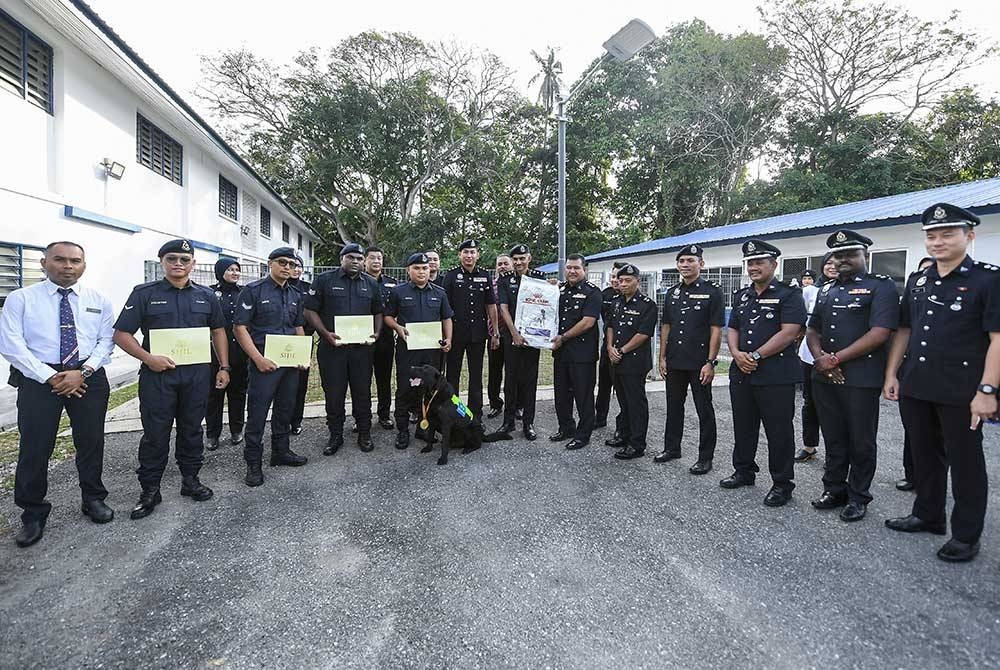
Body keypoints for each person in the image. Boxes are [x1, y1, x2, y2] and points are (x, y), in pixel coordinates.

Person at [884, 203, 1000, 562]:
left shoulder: (988, 279)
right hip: (917, 384)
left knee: (966, 462)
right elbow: (904, 330)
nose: (938, 241)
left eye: (947, 233)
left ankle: (966, 535)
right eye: (931, 236)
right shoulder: (919, 280)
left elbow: (998, 338)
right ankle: (927, 514)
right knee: (924, 455)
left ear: (969, 235)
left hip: (962, 389)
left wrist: (987, 391)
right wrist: (892, 373)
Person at [0, 241, 115, 547]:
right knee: (35, 446)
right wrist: (50, 376)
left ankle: (93, 498)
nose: (68, 266)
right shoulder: (21, 299)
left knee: (91, 441)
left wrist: (84, 371)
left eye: (75, 261)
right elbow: (11, 344)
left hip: (87, 375)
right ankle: (33, 513)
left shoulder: (98, 300)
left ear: (84, 265)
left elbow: (106, 341)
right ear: (44, 263)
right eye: (60, 260)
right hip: (39, 379)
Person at [113, 239, 228, 519]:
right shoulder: (144, 294)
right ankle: (150, 489)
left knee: (191, 429)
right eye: (172, 258)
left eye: (184, 259)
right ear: (162, 261)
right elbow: (121, 334)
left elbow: (218, 331)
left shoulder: (206, 296)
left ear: (193, 264)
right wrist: (148, 357)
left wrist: (224, 366)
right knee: (155, 434)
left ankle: (191, 481)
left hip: (196, 376)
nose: (178, 263)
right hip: (158, 376)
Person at [806, 230, 899, 522]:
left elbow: (880, 332)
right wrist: (821, 358)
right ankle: (834, 489)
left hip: (860, 377)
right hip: (824, 375)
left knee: (861, 439)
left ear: (865, 255)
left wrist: (835, 359)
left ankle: (859, 496)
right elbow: (812, 329)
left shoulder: (881, 287)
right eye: (838, 255)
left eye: (850, 254)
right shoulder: (826, 289)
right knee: (833, 437)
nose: (843, 259)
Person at [722, 240, 806, 507]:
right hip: (742, 371)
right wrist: (735, 353)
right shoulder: (743, 295)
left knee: (778, 431)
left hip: (775, 374)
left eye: (759, 262)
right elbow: (732, 326)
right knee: (744, 425)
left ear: (774, 264)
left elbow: (790, 332)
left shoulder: (789, 294)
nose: (753, 267)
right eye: (750, 262)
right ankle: (744, 471)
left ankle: (782, 484)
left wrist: (756, 356)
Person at [233, 246, 310, 487]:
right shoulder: (253, 291)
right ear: (270, 264)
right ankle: (253, 463)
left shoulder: (296, 294)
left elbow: (298, 327)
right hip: (264, 361)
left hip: (289, 363)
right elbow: (240, 328)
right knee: (257, 413)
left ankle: (281, 451)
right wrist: (258, 358)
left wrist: (303, 355)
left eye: (292, 264)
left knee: (285, 408)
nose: (287, 267)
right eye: (282, 263)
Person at [304, 243, 383, 455]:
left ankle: (364, 433)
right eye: (351, 257)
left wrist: (376, 332)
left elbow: (378, 311)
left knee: (362, 392)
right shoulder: (324, 280)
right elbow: (310, 310)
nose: (355, 261)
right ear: (342, 259)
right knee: (334, 393)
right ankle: (335, 435)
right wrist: (324, 333)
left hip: (361, 351)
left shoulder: (371, 284)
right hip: (333, 349)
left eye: (359, 258)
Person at [655, 244, 724, 474]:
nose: (685, 265)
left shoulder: (712, 291)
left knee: (704, 409)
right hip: (675, 360)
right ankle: (672, 448)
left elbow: (716, 329)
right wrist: (662, 357)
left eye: (690, 261)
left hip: (699, 362)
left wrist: (711, 362)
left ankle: (705, 457)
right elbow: (666, 325)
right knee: (674, 407)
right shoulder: (672, 292)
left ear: (701, 264)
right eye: (681, 261)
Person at [384, 252, 454, 450]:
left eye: (424, 268)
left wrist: (448, 339)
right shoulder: (398, 291)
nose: (422, 271)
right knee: (405, 390)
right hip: (409, 352)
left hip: (432, 352)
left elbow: (446, 318)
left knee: (430, 391)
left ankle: (424, 429)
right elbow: (388, 316)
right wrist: (397, 327)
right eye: (417, 268)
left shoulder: (439, 293)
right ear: (409, 270)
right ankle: (403, 431)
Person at [549, 254, 603, 450]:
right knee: (561, 394)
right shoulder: (559, 290)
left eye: (576, 268)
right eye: (569, 268)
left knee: (583, 395)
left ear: (584, 270)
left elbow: (588, 322)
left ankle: (583, 435)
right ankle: (566, 428)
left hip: (582, 354)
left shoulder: (592, 292)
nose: (572, 271)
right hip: (562, 353)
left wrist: (563, 337)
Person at [605, 263, 658, 460]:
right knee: (623, 401)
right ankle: (624, 434)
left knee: (636, 403)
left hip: (634, 361)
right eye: (621, 281)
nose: (624, 284)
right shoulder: (616, 302)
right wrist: (610, 347)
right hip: (616, 359)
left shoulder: (647, 305)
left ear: (637, 281)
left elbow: (643, 334)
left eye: (628, 280)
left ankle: (637, 444)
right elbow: (610, 326)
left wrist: (621, 350)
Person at [442, 239, 499, 421]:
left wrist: (495, 332)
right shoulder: (450, 276)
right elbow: (444, 308)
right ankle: (454, 412)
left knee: (476, 377)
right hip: (456, 334)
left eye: (472, 252)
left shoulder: (484, 275)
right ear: (460, 255)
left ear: (478, 255)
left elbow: (491, 305)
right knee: (453, 375)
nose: (469, 256)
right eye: (465, 252)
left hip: (477, 334)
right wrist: (446, 335)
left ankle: (475, 415)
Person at [497, 244, 549, 440]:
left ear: (529, 258)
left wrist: (552, 286)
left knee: (530, 380)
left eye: (522, 258)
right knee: (510, 380)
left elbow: (547, 304)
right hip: (512, 337)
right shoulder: (505, 280)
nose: (518, 262)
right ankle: (508, 422)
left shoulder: (538, 278)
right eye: (515, 259)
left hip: (533, 338)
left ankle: (529, 423)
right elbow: (503, 308)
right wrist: (515, 334)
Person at [895, 255, 937, 491]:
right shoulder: (914, 294)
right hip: (912, 372)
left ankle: (932, 482)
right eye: (924, 271)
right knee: (914, 431)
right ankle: (913, 476)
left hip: (949, 377)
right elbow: (903, 330)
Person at [795, 255, 838, 462]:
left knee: (836, 407)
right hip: (809, 356)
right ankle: (809, 446)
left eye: (836, 262)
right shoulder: (811, 290)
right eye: (828, 263)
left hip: (839, 357)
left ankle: (836, 453)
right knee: (810, 402)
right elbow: (802, 321)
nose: (832, 266)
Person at [205, 258, 249, 450]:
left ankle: (236, 430)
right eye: (230, 269)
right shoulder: (209, 293)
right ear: (220, 271)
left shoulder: (245, 293)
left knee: (238, 392)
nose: (234, 273)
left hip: (239, 350)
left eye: (237, 270)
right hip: (214, 351)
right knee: (214, 395)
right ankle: (212, 434)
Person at [365, 246, 398, 429]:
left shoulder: (392, 283)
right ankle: (362, 417)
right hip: (362, 338)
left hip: (385, 338)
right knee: (362, 381)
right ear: (365, 261)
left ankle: (384, 415)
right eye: (372, 258)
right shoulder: (358, 281)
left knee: (384, 379)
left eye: (379, 258)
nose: (376, 261)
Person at [487, 254, 513, 418]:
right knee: (494, 371)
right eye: (499, 264)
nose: (502, 266)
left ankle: (516, 405)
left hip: (514, 335)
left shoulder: (519, 283)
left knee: (514, 372)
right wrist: (494, 333)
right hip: (495, 334)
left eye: (506, 263)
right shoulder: (491, 285)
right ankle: (495, 404)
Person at [596, 264, 622, 431]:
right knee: (604, 385)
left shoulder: (633, 298)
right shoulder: (605, 294)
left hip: (625, 350)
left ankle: (623, 425)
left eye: (617, 277)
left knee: (621, 389)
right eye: (612, 277)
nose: (614, 280)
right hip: (607, 345)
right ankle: (600, 418)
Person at [288, 255, 312, 435]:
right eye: (292, 265)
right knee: (280, 384)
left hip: (302, 341)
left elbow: (313, 313)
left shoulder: (307, 289)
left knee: (300, 383)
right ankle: (281, 421)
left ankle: (296, 420)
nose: (295, 269)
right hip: (277, 342)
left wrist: (307, 333)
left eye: (298, 266)